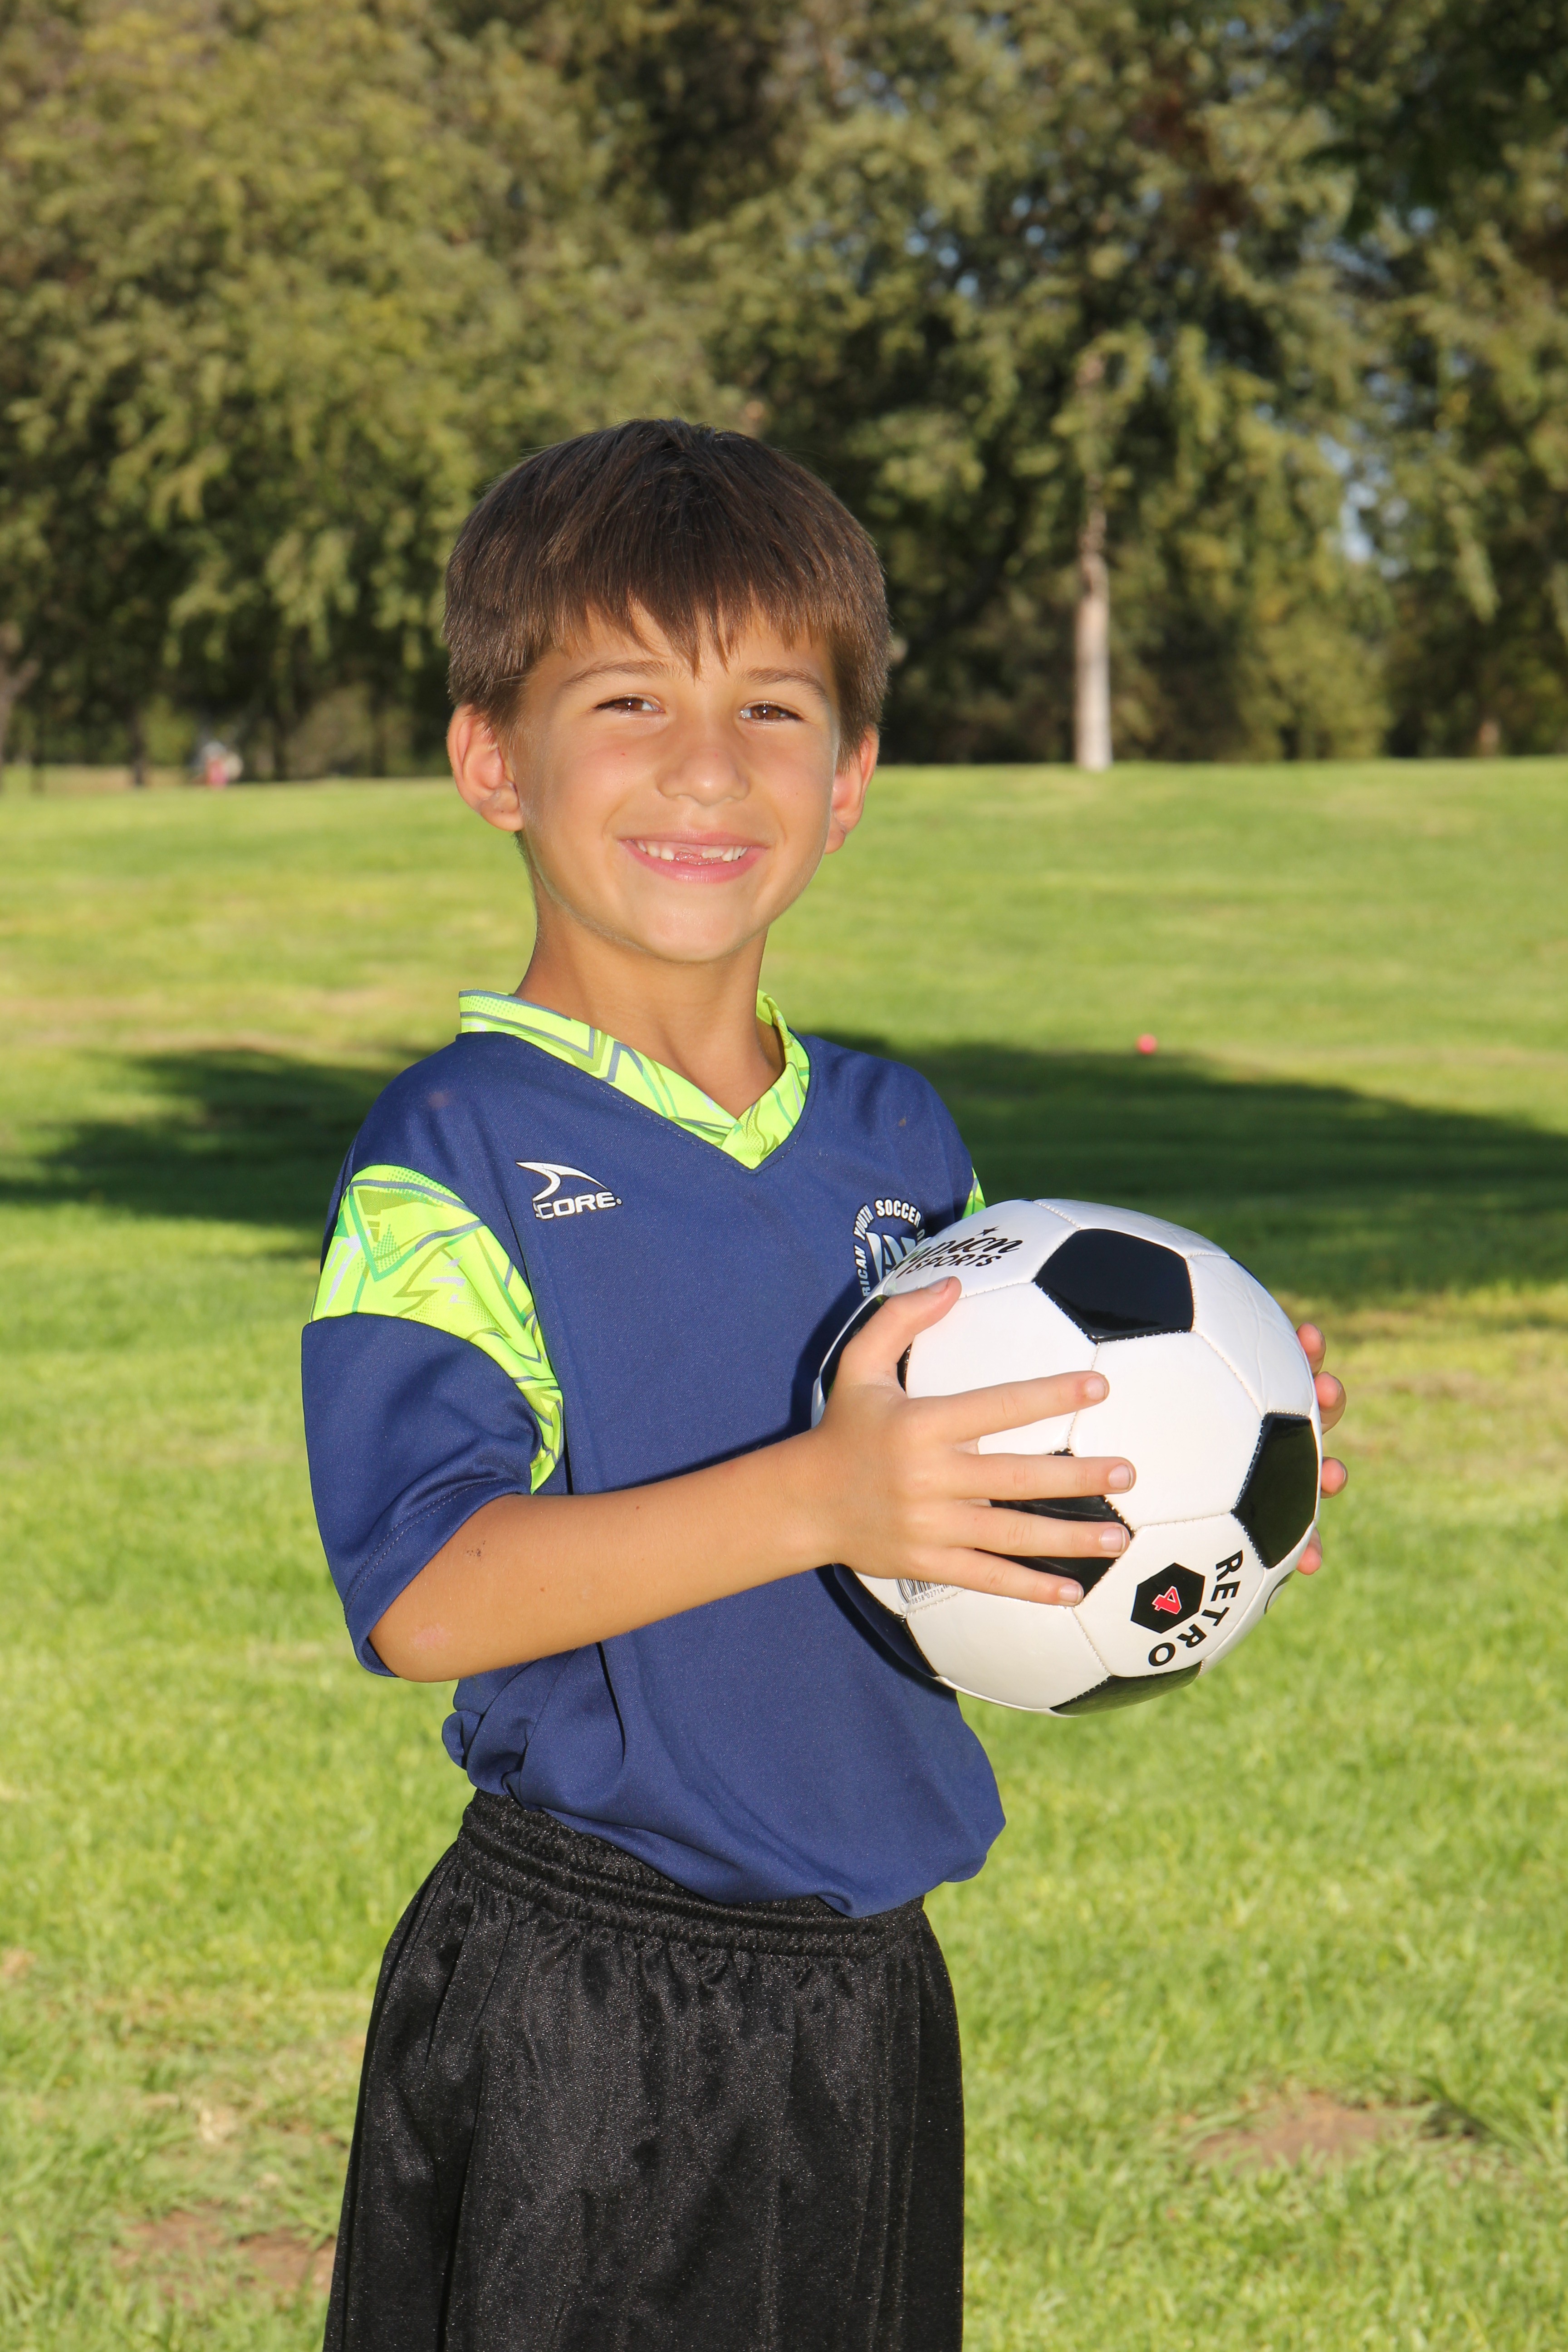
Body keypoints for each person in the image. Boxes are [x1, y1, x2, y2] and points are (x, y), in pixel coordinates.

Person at [302, 420, 1347, 2352]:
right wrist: (818, 1496)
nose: (707, 766)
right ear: (492, 759)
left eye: (773, 710)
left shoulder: (897, 1138)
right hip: (591, 2001)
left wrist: (1193, 1460)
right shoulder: (452, 1153)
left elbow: (946, 1523)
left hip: (868, 1996)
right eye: (628, 699)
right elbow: (424, 1596)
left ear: (850, 777)